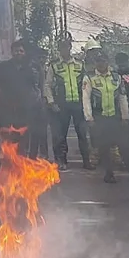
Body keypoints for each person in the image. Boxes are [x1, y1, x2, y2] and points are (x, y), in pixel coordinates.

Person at [82, 51, 129, 184]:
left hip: (115, 117)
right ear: (95, 63)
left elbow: (123, 97)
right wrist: (89, 117)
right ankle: (109, 173)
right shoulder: (89, 78)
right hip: (99, 117)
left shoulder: (116, 77)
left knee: (126, 145)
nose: (101, 63)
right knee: (104, 147)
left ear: (108, 61)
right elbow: (86, 98)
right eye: (98, 61)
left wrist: (125, 116)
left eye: (103, 60)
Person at [45, 35, 90, 171]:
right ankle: (62, 161)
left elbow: (87, 84)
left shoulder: (79, 64)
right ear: (59, 50)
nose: (64, 50)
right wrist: (52, 102)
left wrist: (86, 104)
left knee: (82, 134)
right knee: (60, 135)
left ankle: (86, 161)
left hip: (78, 104)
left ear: (70, 48)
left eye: (66, 47)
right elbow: (47, 85)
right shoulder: (54, 66)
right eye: (62, 48)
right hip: (61, 106)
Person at [0, 40, 47, 158]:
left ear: (25, 52)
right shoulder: (4, 67)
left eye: (21, 51)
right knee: (15, 136)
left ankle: (31, 160)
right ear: (11, 52)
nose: (18, 53)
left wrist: (41, 101)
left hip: (32, 107)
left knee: (32, 135)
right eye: (16, 51)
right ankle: (17, 160)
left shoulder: (34, 66)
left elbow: (41, 85)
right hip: (11, 108)